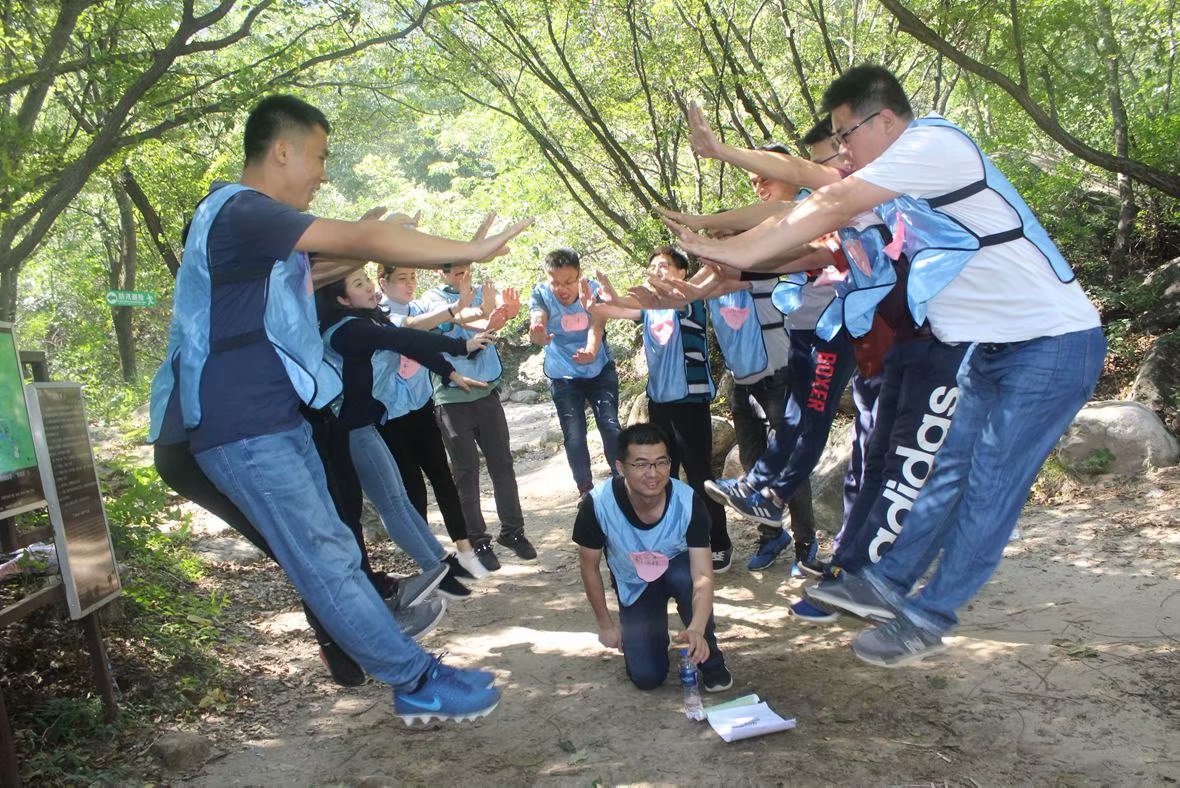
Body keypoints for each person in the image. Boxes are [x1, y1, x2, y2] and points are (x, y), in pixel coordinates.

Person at [662, 66, 1106, 667]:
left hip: (1054, 344)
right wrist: (716, 216)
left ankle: (929, 616)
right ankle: (883, 581)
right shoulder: (893, 189)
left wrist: (725, 249)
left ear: (887, 120)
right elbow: (806, 190)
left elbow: (827, 198)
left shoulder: (935, 144)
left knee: (987, 487)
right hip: (994, 347)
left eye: (847, 133)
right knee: (947, 472)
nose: (841, 149)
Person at [149, 94, 529, 721]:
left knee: (334, 545)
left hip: (274, 416)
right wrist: (467, 251)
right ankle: (413, 678)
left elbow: (336, 260)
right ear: (281, 150)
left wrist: (431, 252)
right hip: (240, 425)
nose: (323, 172)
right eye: (319, 156)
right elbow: (361, 238)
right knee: (322, 554)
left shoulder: (254, 230)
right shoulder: (243, 211)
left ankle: (392, 644)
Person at [317, 268, 493, 601]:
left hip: (362, 425)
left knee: (397, 498)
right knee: (391, 503)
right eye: (358, 284)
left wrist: (450, 370)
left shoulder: (369, 320)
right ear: (340, 299)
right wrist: (461, 346)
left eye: (366, 279)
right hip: (344, 431)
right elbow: (404, 340)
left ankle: (441, 562)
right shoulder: (348, 331)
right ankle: (434, 570)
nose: (369, 287)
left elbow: (410, 346)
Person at [589, 247, 732, 573]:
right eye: (651, 266)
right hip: (660, 403)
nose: (656, 271)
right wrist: (602, 298)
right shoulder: (651, 310)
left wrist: (620, 300)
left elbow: (663, 304)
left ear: (682, 273)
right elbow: (619, 309)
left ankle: (719, 542)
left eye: (664, 266)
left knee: (699, 474)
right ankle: (672, 540)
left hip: (690, 402)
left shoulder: (690, 300)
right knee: (663, 475)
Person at [574, 422, 732, 692]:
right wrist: (605, 625)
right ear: (621, 467)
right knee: (647, 678)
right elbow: (589, 567)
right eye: (641, 464)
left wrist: (696, 627)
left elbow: (703, 575)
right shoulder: (598, 504)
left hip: (677, 570)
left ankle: (710, 659)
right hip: (634, 581)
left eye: (661, 462)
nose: (653, 473)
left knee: (685, 577)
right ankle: (654, 638)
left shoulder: (687, 501)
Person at [418, 263, 536, 570]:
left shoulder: (480, 293)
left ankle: (513, 531)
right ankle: (478, 540)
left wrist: (500, 317)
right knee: (466, 473)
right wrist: (484, 312)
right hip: (452, 400)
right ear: (439, 272)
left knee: (503, 465)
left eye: (465, 270)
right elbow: (451, 332)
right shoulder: (430, 302)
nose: (462, 276)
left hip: (487, 394)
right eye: (455, 272)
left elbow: (485, 332)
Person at [376, 263, 488, 579]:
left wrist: (481, 311)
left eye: (413, 277)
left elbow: (435, 334)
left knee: (442, 477)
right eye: (401, 279)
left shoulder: (418, 306)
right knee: (412, 487)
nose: (409, 284)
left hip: (421, 406)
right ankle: (429, 562)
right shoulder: (378, 314)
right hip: (389, 414)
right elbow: (410, 327)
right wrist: (456, 307)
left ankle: (465, 552)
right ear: (382, 283)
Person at [528, 247, 621, 498]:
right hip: (563, 375)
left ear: (579, 275)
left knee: (610, 425)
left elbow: (597, 326)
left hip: (599, 368)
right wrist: (537, 331)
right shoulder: (541, 293)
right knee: (574, 434)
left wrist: (591, 350)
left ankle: (622, 482)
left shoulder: (592, 290)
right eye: (555, 282)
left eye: (568, 281)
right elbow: (538, 318)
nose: (562, 289)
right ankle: (585, 489)